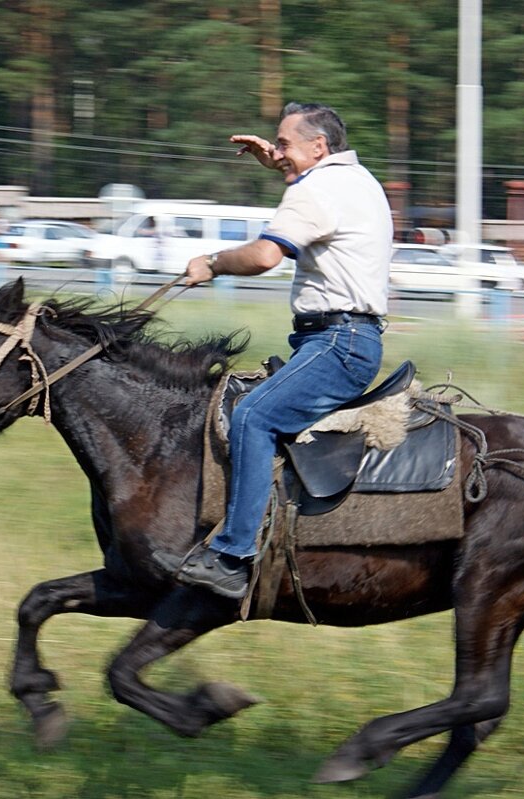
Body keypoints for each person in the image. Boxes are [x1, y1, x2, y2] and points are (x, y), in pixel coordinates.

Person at [166, 102, 393, 600]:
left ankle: (233, 556)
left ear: (319, 147)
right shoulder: (354, 181)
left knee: (251, 417)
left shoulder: (318, 189)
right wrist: (287, 168)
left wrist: (212, 262)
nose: (276, 150)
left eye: (284, 143)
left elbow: (266, 255)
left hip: (338, 343)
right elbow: (311, 206)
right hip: (346, 338)